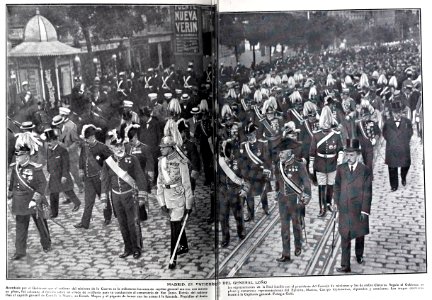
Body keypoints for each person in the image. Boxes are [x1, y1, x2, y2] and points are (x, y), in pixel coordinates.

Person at [101, 131, 147, 259]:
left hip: (130, 195)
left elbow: (140, 177)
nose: (119, 148)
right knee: (122, 223)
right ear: (112, 147)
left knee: (133, 223)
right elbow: (104, 181)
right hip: (116, 197)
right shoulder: (107, 162)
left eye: (121, 145)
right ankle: (128, 248)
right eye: (116, 146)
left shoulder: (132, 159)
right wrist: (104, 199)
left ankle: (137, 248)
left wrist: (142, 195)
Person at [334, 138, 372, 273]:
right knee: (345, 235)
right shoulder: (340, 169)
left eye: (352, 155)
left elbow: (368, 191)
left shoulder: (365, 170)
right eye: (347, 155)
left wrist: (365, 210)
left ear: (358, 155)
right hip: (344, 207)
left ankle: (359, 254)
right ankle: (345, 265)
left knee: (359, 233)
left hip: (359, 208)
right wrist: (336, 202)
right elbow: (337, 186)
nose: (349, 158)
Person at [8, 141, 51, 260]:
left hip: (33, 201)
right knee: (20, 226)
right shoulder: (15, 169)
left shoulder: (35, 169)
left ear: (26, 156)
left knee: (41, 224)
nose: (17, 158)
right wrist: (9, 197)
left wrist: (35, 199)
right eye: (16, 156)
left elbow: (42, 184)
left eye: (19, 156)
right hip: (20, 202)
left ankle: (46, 244)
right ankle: (20, 251)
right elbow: (12, 184)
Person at [156, 135, 194, 269]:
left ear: (171, 148)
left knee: (174, 226)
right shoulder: (161, 162)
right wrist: (161, 202)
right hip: (167, 197)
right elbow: (159, 183)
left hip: (178, 197)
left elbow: (187, 184)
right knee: (176, 224)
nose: (161, 149)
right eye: (161, 147)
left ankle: (173, 258)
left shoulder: (181, 162)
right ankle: (184, 246)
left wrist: (189, 204)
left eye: (163, 147)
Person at [274, 145, 311, 263]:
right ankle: (286, 253)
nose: (280, 155)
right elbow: (277, 180)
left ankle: (298, 245)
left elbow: (306, 182)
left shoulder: (299, 165)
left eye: (283, 152)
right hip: (282, 200)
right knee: (284, 227)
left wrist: (306, 196)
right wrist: (277, 192)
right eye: (279, 153)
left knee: (296, 224)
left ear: (290, 152)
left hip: (294, 199)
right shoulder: (278, 165)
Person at [74, 124, 113, 229]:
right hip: (88, 179)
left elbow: (111, 158)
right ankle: (84, 222)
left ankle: (108, 217)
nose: (90, 139)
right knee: (88, 201)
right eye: (88, 137)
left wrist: (105, 169)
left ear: (94, 136)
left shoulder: (101, 147)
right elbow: (82, 158)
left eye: (92, 136)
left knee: (103, 198)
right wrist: (81, 169)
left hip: (99, 177)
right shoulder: (85, 147)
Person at [218, 128, 250, 248]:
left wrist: (245, 190)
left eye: (230, 151)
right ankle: (225, 238)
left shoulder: (240, 161)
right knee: (223, 216)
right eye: (226, 151)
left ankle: (241, 230)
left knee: (238, 214)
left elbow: (246, 178)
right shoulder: (220, 162)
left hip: (235, 192)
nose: (228, 153)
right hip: (223, 192)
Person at [309, 106, 343, 217]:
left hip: (332, 163)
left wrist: (340, 159)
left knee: (330, 186)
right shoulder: (316, 135)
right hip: (320, 163)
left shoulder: (336, 135)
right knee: (321, 186)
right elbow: (312, 151)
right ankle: (322, 207)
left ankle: (328, 203)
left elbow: (340, 149)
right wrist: (310, 165)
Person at [43, 128, 81, 218]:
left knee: (68, 191)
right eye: (48, 141)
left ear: (56, 140)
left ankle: (77, 203)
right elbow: (48, 161)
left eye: (51, 141)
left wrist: (64, 175)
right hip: (53, 176)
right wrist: (48, 171)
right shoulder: (49, 150)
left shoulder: (62, 150)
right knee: (53, 195)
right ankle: (54, 213)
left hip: (62, 175)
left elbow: (66, 164)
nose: (49, 143)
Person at [382, 101, 413, 192]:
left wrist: (405, 139)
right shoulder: (388, 123)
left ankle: (403, 176)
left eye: (399, 112)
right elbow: (384, 133)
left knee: (406, 165)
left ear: (401, 112)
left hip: (404, 147)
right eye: (395, 112)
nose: (397, 114)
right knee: (392, 167)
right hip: (392, 147)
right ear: (392, 113)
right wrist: (391, 140)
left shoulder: (407, 122)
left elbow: (410, 132)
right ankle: (394, 185)